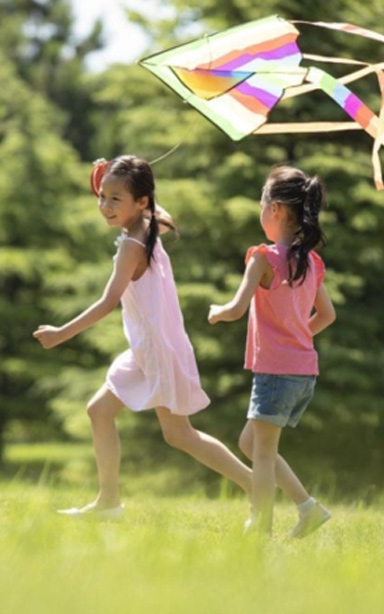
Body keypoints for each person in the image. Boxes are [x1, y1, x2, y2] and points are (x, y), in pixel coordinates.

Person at [33, 156, 252, 518]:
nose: (104, 206)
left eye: (115, 199)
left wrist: (62, 333)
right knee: (99, 411)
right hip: (147, 347)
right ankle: (109, 501)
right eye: (102, 196)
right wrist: (113, 181)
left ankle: (253, 484)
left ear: (141, 202)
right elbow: (158, 212)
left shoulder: (132, 246)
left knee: (180, 435)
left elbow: (107, 302)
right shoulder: (150, 223)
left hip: (157, 350)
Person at [209, 166, 336, 538]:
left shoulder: (263, 258)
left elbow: (234, 309)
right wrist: (297, 338)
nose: (260, 211)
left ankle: (259, 525)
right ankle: (308, 509)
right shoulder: (311, 262)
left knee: (262, 453)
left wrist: (217, 312)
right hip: (302, 373)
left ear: (276, 210)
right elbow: (327, 315)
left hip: (276, 373)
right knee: (252, 443)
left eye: (262, 204)